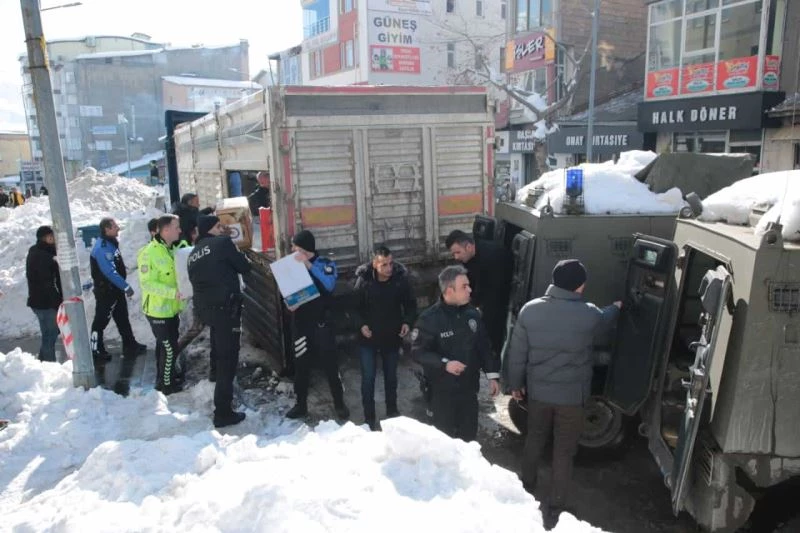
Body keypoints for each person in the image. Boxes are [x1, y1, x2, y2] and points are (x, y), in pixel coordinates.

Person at [506, 259, 621, 525]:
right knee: (563, 450)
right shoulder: (589, 314)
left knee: (534, 438)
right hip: (572, 399)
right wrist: (616, 307)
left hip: (538, 394)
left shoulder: (530, 310)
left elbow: (517, 353)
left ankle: (526, 485)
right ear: (580, 286)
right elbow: (606, 319)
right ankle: (556, 503)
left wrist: (516, 384)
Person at [410, 265, 500, 442]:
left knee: (469, 441)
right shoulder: (429, 319)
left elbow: (483, 347)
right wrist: (445, 364)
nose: (470, 289)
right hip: (441, 394)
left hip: (468, 391)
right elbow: (418, 352)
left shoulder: (472, 314)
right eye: (464, 287)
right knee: (444, 443)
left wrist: (492, 375)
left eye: (469, 285)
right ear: (449, 291)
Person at [188, 215, 252, 428]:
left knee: (217, 347)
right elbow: (244, 267)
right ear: (210, 229)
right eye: (218, 226)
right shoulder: (223, 243)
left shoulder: (193, 253)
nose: (223, 229)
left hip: (206, 311)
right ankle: (223, 412)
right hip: (226, 310)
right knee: (228, 359)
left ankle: (214, 378)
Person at [284, 229, 350, 420]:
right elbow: (287, 293)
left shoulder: (325, 264)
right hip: (301, 324)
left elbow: (329, 285)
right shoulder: (291, 266)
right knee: (301, 366)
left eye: (295, 247)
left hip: (322, 324)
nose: (292, 250)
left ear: (304, 249)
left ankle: (339, 404)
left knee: (330, 366)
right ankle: (300, 405)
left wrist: (307, 266)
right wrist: (289, 303)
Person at [352, 246, 416, 430]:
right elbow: (353, 308)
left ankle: (392, 413)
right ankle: (369, 419)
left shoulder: (400, 280)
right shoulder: (364, 281)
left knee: (391, 377)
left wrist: (407, 322)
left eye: (391, 263)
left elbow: (411, 306)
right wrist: (361, 325)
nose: (389, 268)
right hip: (368, 339)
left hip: (391, 337)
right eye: (384, 265)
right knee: (368, 379)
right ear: (374, 264)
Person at [445, 230, 513, 360]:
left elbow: (493, 291)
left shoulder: (493, 256)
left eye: (457, 252)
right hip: (485, 298)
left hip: (498, 300)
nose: (456, 257)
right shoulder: (468, 257)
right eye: (453, 253)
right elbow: (470, 280)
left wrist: (474, 304)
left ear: (469, 247)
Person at [137, 214, 186, 394]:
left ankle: (164, 377)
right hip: (158, 311)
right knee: (169, 348)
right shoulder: (149, 253)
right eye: (176, 227)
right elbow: (147, 283)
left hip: (171, 309)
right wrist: (173, 293)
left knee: (164, 347)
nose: (179, 230)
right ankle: (167, 385)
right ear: (165, 230)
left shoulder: (170, 248)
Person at [90, 217, 146, 362]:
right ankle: (95, 350)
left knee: (122, 318)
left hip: (115, 290)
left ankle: (130, 344)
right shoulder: (102, 248)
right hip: (107, 292)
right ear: (107, 229)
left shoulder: (110, 243)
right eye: (114, 226)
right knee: (100, 321)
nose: (118, 228)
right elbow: (109, 271)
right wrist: (125, 286)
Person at [26, 226, 63, 362]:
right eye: (50, 237)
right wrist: (57, 302)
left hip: (36, 302)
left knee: (47, 334)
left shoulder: (34, 251)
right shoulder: (45, 257)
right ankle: (49, 364)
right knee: (51, 335)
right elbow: (47, 283)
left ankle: (42, 362)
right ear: (44, 239)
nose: (53, 240)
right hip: (46, 303)